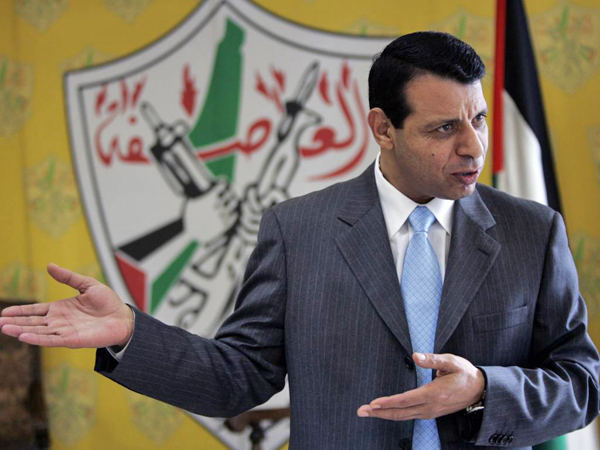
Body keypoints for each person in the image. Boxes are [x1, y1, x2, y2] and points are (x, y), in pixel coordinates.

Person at [1, 32, 598, 449]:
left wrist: (482, 390)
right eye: (444, 127)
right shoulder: (297, 230)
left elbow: (581, 383)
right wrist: (132, 332)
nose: (472, 146)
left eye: (479, 119)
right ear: (382, 128)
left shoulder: (533, 231)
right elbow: (239, 376)